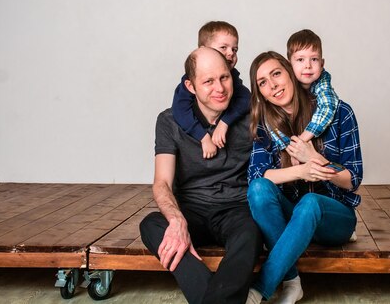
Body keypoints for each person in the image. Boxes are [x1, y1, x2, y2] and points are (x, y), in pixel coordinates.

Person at [140, 47, 263, 304]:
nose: (219, 88)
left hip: (235, 208)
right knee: (152, 224)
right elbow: (162, 182)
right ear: (191, 86)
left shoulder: (251, 117)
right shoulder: (169, 121)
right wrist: (176, 220)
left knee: (252, 232)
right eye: (208, 81)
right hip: (192, 209)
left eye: (224, 78)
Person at [245, 51, 363, 304]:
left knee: (310, 203)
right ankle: (292, 282)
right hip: (292, 219)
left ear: (290, 72)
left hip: (335, 219)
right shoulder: (265, 125)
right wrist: (300, 171)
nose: (273, 85)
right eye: (263, 82)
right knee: (258, 189)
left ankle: (260, 288)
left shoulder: (340, 113)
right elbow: (257, 174)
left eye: (276, 73)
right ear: (260, 93)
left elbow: (352, 179)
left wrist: (316, 159)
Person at [172, 21, 251, 159]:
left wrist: (224, 123)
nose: (230, 53)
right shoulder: (190, 82)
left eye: (235, 49)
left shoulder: (233, 76)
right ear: (203, 49)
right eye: (223, 47)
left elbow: (245, 98)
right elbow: (180, 110)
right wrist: (203, 137)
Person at [266, 29, 339, 151]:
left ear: (322, 64)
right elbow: (271, 118)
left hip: (307, 140)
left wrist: (303, 139)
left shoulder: (322, 80)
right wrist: (292, 150)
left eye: (314, 59)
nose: (308, 65)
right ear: (289, 65)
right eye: (300, 59)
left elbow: (328, 106)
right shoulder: (284, 87)